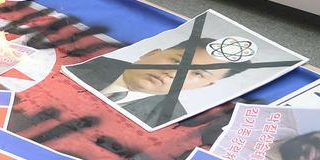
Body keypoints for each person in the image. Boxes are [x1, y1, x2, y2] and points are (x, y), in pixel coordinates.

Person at [69, 41, 237, 126]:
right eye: (177, 61)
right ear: (151, 53)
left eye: (197, 74)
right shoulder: (82, 58)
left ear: (205, 86)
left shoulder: (172, 121)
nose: (172, 74)